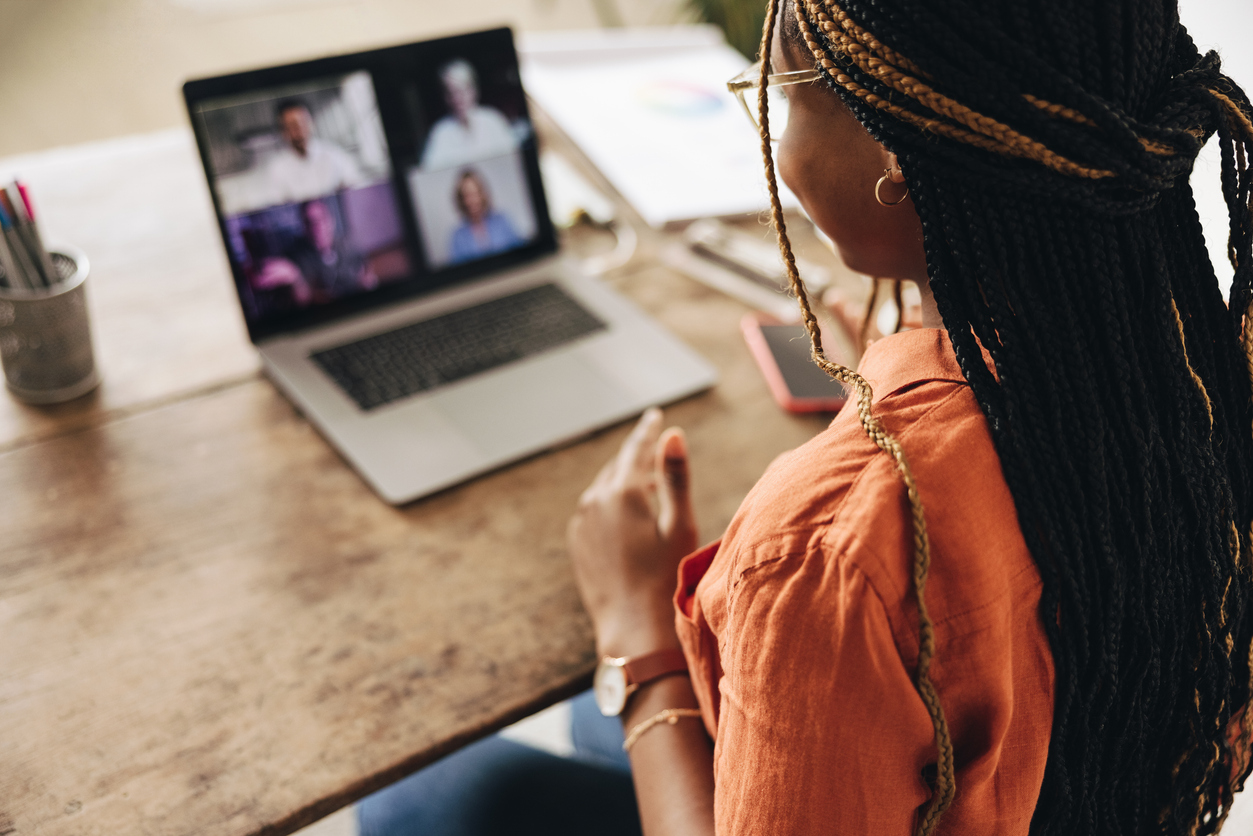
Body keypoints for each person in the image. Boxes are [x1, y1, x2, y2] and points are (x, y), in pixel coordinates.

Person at [359, 0, 1253, 834]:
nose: (775, 142)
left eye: (785, 98)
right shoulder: (1192, 361)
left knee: (431, 798)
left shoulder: (828, 547)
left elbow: (827, 586)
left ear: (895, 152)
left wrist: (637, 642)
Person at [254, 199, 376, 306]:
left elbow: (364, 267)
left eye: (320, 219)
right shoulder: (298, 256)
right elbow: (304, 299)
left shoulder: (349, 243)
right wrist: (294, 276)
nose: (316, 227)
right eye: (309, 221)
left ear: (331, 220)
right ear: (304, 227)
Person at [262, 98, 365, 206]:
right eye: (292, 125)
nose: (299, 130)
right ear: (283, 131)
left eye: (302, 122)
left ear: (311, 122)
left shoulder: (334, 155)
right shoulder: (277, 169)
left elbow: (355, 188)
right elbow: (275, 204)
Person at [420, 59, 519, 170]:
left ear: (473, 90)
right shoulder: (440, 132)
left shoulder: (493, 120)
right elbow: (428, 171)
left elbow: (514, 161)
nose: (457, 99)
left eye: (461, 91)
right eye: (450, 93)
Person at [447, 169, 523, 265]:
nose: (472, 200)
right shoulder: (457, 237)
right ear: (461, 200)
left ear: (482, 194)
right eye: (467, 195)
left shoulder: (503, 221)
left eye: (475, 193)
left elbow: (521, 255)